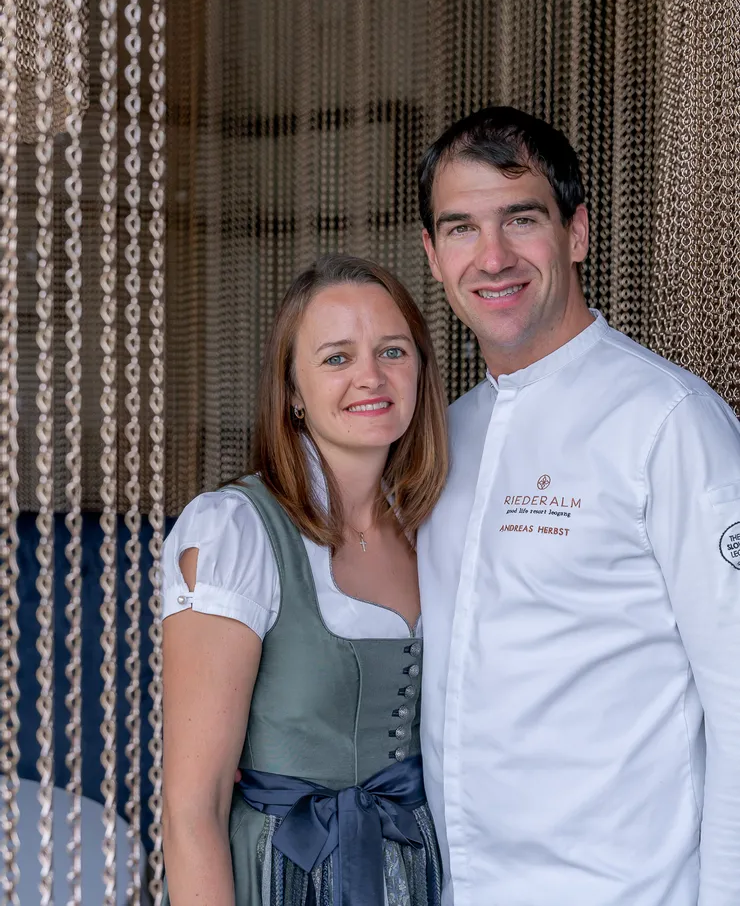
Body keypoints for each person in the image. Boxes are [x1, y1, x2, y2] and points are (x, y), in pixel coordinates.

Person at [416, 105, 740, 906]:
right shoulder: (440, 441)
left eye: (520, 219)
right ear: (431, 254)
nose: (492, 258)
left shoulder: (667, 422)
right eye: (460, 229)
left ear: (577, 231)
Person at [161, 254, 448, 906]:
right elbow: (192, 808)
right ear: (292, 390)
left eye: (393, 350)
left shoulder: (435, 525)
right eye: (337, 358)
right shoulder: (235, 531)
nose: (371, 376)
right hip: (288, 875)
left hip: (417, 874)